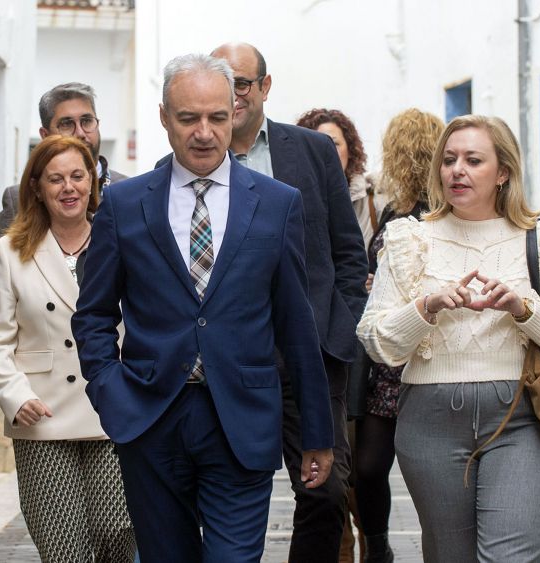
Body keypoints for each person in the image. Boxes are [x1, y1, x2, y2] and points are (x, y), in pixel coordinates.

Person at [72, 53, 336, 563]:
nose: (204, 132)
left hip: (243, 420)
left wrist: (317, 432)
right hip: (150, 419)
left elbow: (296, 324)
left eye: (217, 116)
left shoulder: (277, 203)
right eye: (188, 117)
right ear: (164, 117)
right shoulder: (125, 205)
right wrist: (110, 390)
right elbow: (94, 314)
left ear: (234, 112)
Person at [357, 114, 540, 562]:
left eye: (472, 160)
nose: (457, 170)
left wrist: (524, 310)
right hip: (429, 420)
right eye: (448, 160)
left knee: (512, 557)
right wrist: (426, 308)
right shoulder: (409, 240)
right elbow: (375, 339)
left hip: (520, 416)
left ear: (503, 172)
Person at [212, 42, 368, 562]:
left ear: (265, 86)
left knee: (325, 493)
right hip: (234, 361)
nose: (232, 94)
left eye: (241, 83)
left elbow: (348, 253)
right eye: (221, 81)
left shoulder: (311, 151)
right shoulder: (197, 158)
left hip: (312, 357)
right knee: (230, 496)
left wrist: (339, 326)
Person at [0, 135, 136, 562]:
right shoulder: (10, 251)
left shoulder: (123, 242)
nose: (69, 188)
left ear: (92, 182)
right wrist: (15, 397)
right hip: (42, 414)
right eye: (55, 179)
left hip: (112, 411)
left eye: (77, 176)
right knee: (64, 547)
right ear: (36, 188)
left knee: (118, 531)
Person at [353, 108, 444, 563]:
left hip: (431, 354)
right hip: (388, 363)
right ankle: (378, 548)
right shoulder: (393, 209)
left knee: (434, 472)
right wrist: (375, 280)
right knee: (368, 467)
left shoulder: (446, 212)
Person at [295, 107, 373, 563]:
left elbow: (350, 258)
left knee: (348, 472)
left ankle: (372, 545)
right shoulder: (291, 185)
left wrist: (343, 321)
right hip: (296, 348)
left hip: (346, 346)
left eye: (336, 143)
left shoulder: (368, 197)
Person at [0, 82, 127, 310]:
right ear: (45, 135)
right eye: (67, 124)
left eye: (87, 121)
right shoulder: (19, 199)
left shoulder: (129, 193)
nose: (80, 133)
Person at [296, 108, 383, 248]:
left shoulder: (375, 201)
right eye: (319, 144)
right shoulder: (294, 202)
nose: (328, 151)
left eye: (334, 144)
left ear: (350, 149)